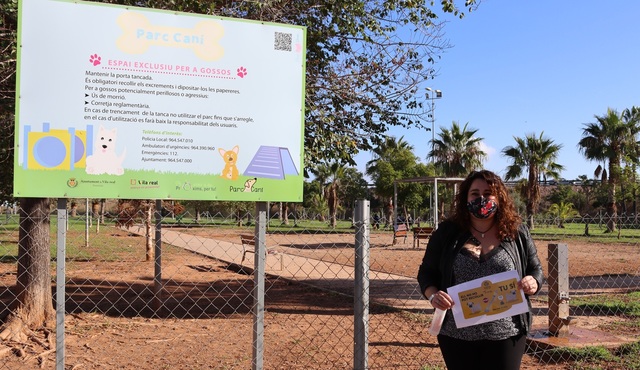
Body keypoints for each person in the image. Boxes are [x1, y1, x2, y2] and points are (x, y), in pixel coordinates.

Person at [417, 170, 543, 370]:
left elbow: (535, 270)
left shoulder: (517, 232)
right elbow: (426, 273)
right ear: (466, 197)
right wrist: (433, 296)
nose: (481, 199)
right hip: (456, 334)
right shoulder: (447, 232)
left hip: (507, 333)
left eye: (488, 193)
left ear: (499, 197)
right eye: (475, 194)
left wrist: (533, 282)